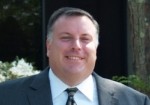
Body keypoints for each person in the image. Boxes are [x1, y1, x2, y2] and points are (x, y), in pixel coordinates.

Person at [0, 7, 149, 105]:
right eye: (66, 37)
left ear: (96, 48)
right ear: (48, 46)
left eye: (85, 39)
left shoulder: (134, 101)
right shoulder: (6, 97)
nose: (76, 46)